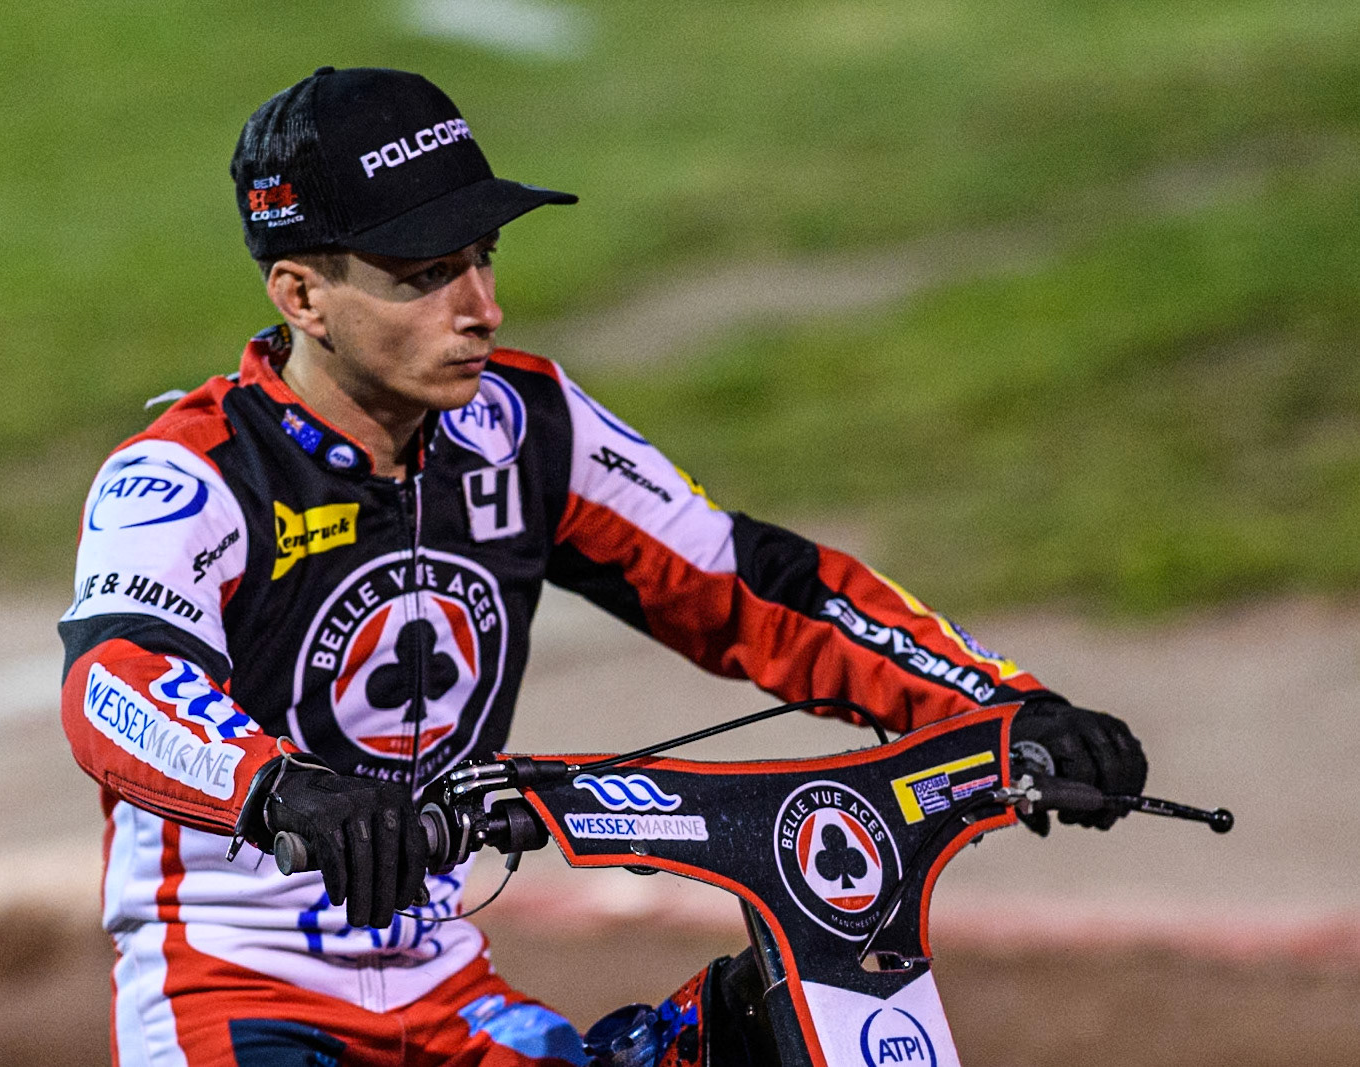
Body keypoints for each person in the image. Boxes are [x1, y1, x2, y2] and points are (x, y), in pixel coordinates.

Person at [58, 66, 1147, 1067]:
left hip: (445, 986)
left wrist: (1001, 705)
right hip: (236, 995)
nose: (481, 307)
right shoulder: (187, 474)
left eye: (483, 257)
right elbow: (114, 681)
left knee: (753, 1035)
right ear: (301, 296)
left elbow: (748, 584)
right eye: (427, 273)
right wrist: (278, 787)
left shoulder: (521, 424)